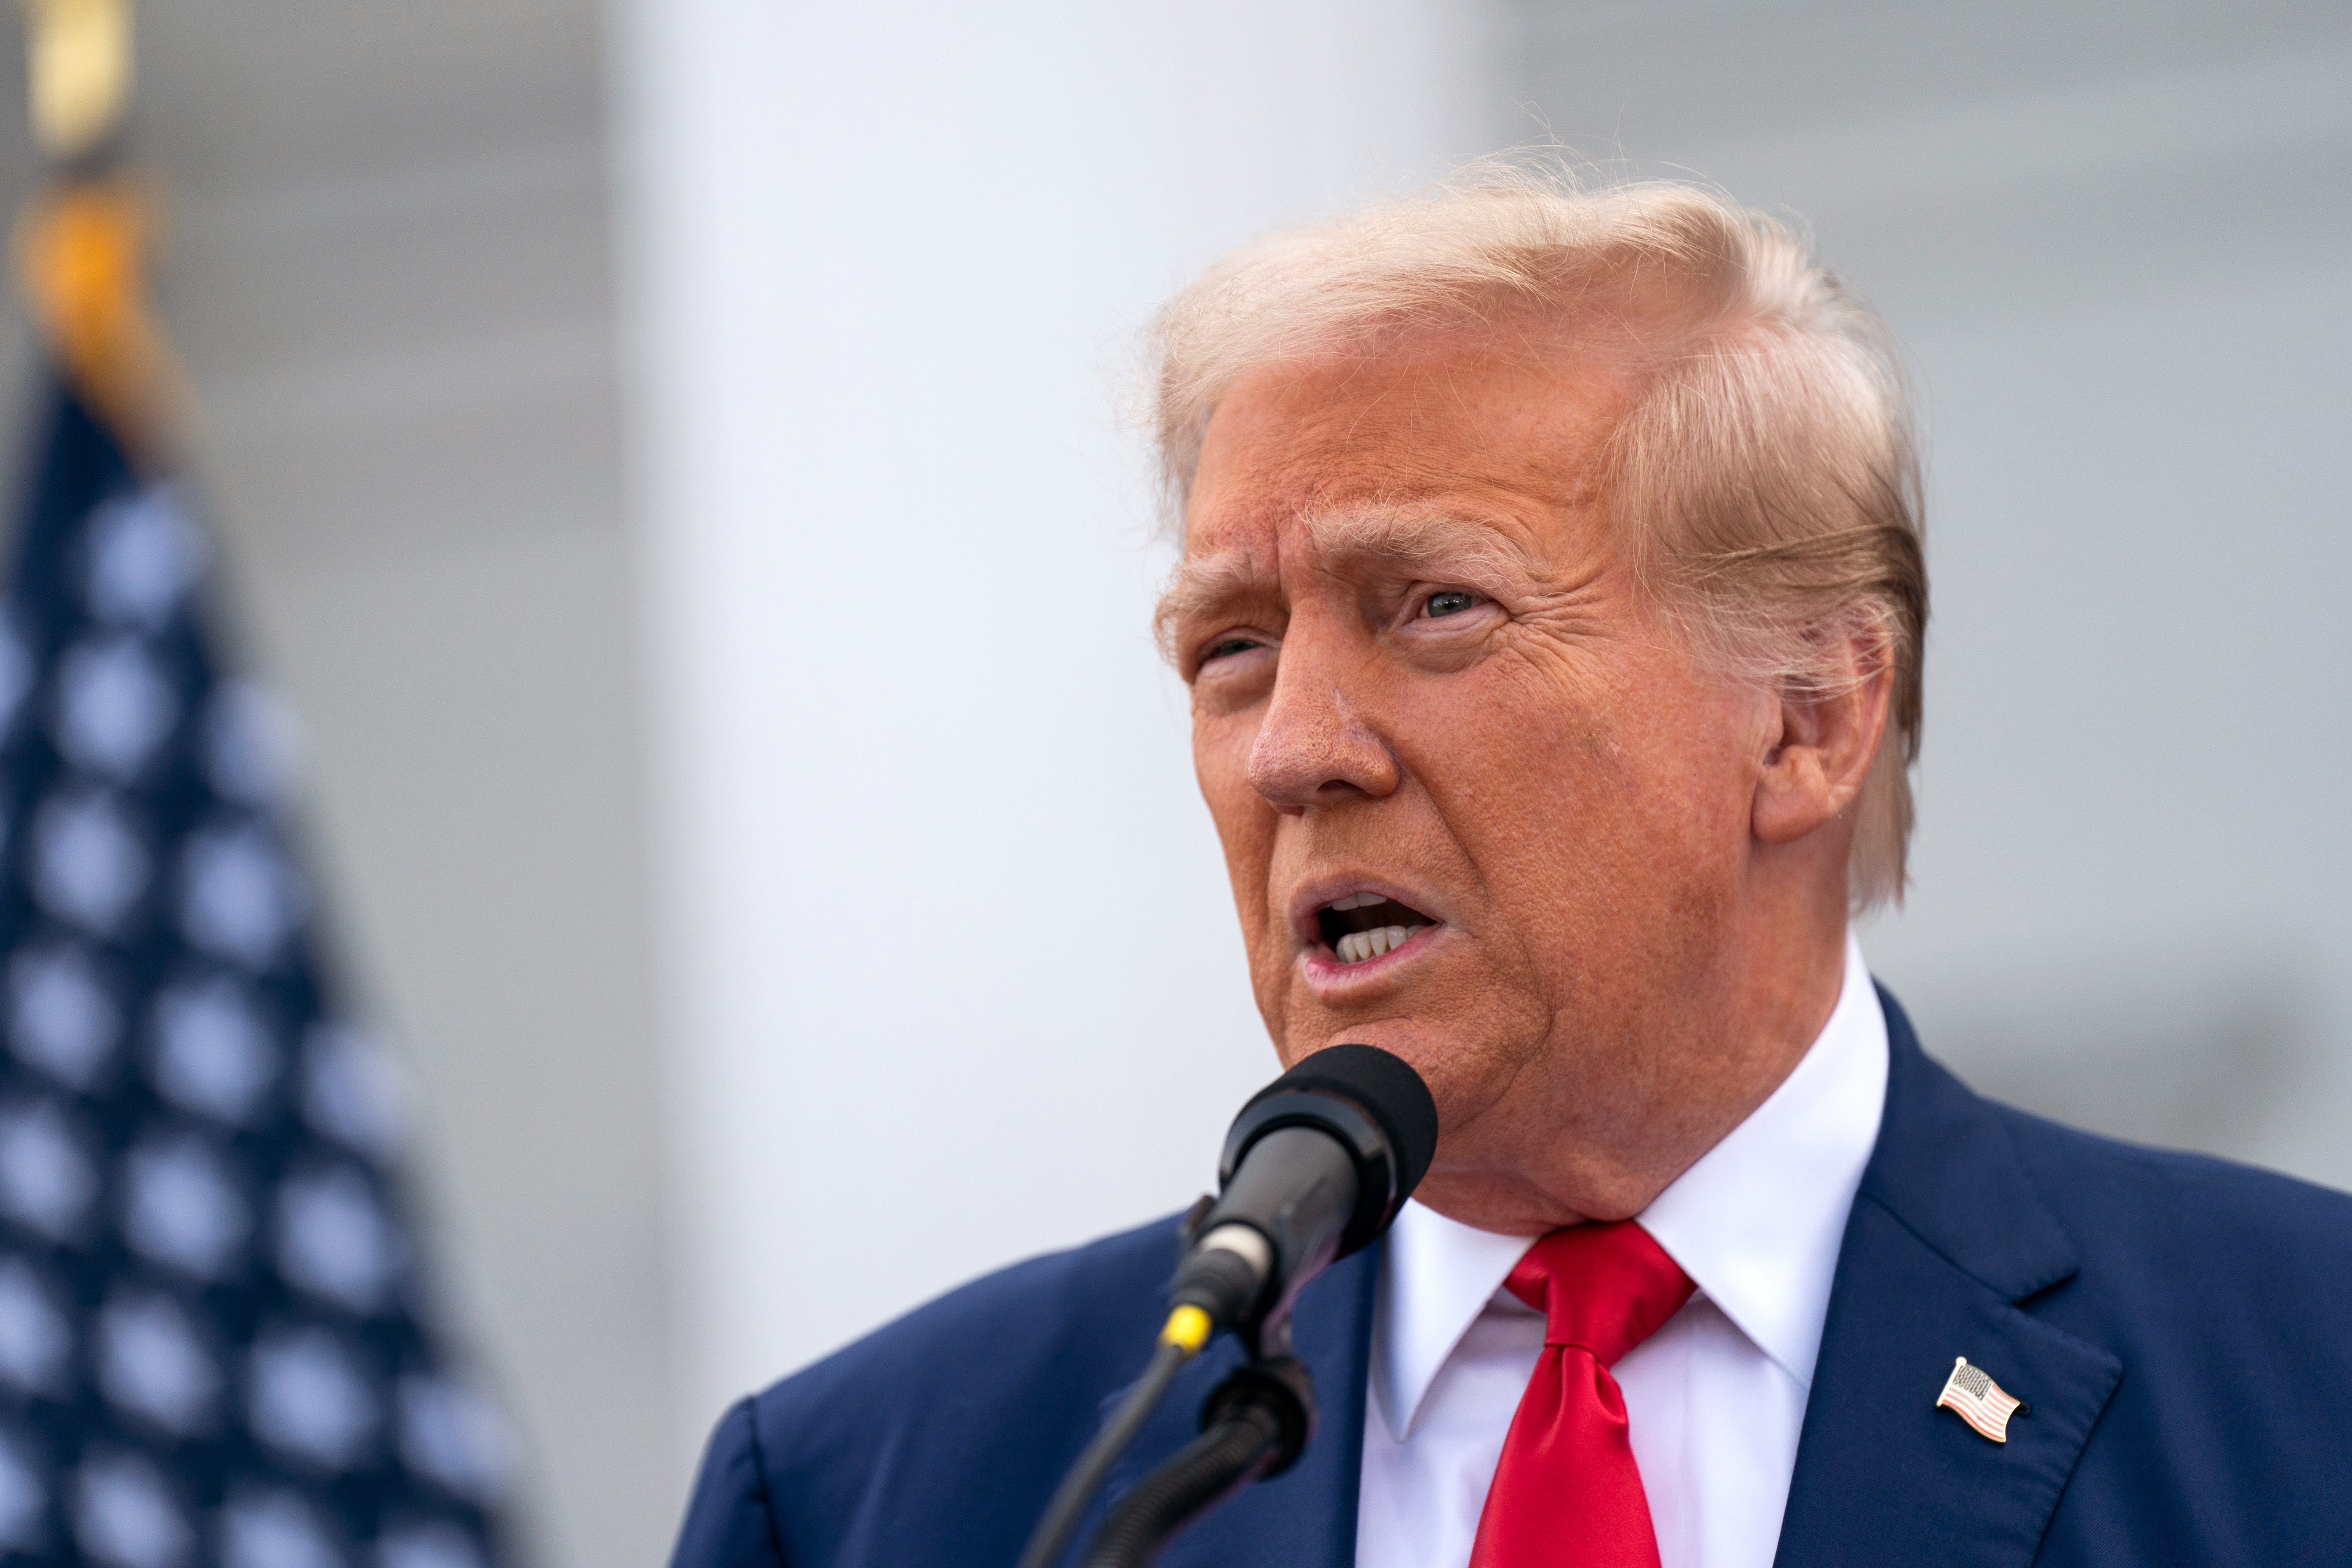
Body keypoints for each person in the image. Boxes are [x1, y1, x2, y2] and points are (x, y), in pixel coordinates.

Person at [666, 168, 2352, 1568]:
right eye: (1231, 646)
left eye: (1436, 605)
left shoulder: (2302, 1376)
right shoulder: (877, 1492)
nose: (1292, 748)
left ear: (1810, 720)